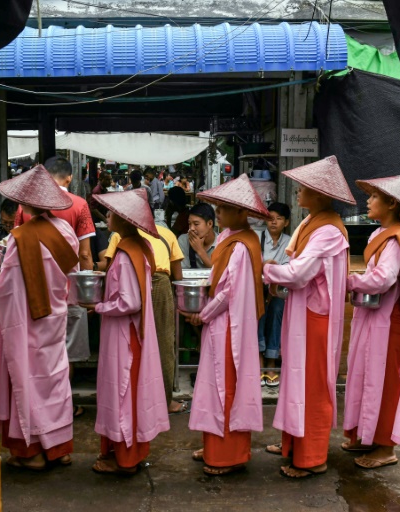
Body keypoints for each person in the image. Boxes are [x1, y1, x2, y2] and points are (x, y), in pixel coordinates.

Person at [262, 155, 355, 478]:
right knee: (298, 379)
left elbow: (300, 273)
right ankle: (293, 444)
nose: (298, 193)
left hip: (316, 319)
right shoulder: (313, 222)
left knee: (312, 385)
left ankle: (311, 457)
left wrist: (265, 270)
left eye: (303, 189)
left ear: (318, 194)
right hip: (303, 314)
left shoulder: (328, 230)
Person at [0, 165, 79, 470]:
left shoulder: (19, 237)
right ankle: (59, 449)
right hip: (54, 315)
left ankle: (32, 453)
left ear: (23, 205)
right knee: (54, 380)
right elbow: (71, 275)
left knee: (27, 380)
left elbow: (6, 287)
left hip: (26, 322)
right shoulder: (66, 232)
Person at [181, 174, 268, 476]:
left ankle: (226, 455)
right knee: (214, 387)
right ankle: (214, 445)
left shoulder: (241, 246)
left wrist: (202, 313)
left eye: (222, 209)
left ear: (241, 212)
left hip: (228, 326)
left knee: (224, 389)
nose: (217, 214)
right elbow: (218, 279)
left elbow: (228, 292)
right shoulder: (229, 238)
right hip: (221, 322)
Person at [87, 188, 170, 475]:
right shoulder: (138, 247)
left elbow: (129, 302)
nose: (107, 217)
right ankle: (128, 454)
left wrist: (98, 306)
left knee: (122, 395)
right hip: (132, 335)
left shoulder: (124, 254)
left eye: (110, 213)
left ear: (121, 219)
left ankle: (124, 459)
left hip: (124, 337)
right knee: (128, 396)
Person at [343, 175, 400, 469]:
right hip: (377, 316)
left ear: (391, 203)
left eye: (374, 197)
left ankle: (386, 447)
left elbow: (382, 279)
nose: (367, 201)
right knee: (367, 374)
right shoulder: (383, 234)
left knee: (386, 381)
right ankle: (368, 435)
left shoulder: (396, 237)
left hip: (390, 320)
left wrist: (350, 281)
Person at [14, 156, 96, 384]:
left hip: (33, 288)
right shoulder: (79, 204)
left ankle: (37, 404)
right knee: (65, 352)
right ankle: (64, 403)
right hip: (67, 289)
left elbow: (16, 245)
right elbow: (85, 254)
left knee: (35, 348)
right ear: (69, 178)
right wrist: (86, 293)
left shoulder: (24, 207)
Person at [101, 214, 186, 415]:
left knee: (136, 343)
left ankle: (136, 399)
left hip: (135, 282)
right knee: (164, 343)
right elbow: (178, 274)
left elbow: (109, 266)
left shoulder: (119, 236)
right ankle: (164, 401)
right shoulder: (166, 233)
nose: (106, 217)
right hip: (161, 283)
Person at [258, 202, 292, 387]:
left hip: (279, 291)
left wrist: (273, 268)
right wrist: (265, 265)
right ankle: (259, 359)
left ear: (286, 222)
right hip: (259, 289)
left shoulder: (289, 241)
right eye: (271, 218)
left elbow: (290, 268)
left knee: (277, 308)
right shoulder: (257, 238)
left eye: (279, 219)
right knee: (258, 308)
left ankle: (271, 360)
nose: (274, 222)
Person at [178, 203, 218, 269]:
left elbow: (220, 274)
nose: (191, 228)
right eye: (189, 224)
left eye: (196, 224)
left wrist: (200, 250)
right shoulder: (184, 240)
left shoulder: (222, 242)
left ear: (210, 224)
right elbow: (183, 272)